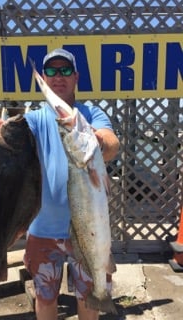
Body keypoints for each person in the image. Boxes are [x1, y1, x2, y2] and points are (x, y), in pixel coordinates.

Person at [23, 48, 120, 320]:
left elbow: (112, 144)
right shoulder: (35, 116)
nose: (58, 77)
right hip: (43, 229)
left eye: (65, 70)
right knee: (45, 298)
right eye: (51, 71)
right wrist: (3, 136)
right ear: (44, 76)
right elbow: (15, 134)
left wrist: (97, 140)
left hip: (90, 232)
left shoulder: (91, 113)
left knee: (90, 301)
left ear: (76, 76)